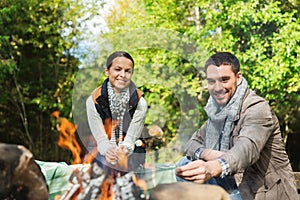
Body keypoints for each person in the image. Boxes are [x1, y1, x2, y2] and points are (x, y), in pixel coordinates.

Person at [175, 52, 298, 200]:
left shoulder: (257, 108)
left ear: (238, 78)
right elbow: (192, 143)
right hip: (235, 185)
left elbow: (247, 149)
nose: (218, 88)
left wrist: (216, 166)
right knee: (185, 165)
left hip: (262, 190)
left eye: (224, 80)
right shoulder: (218, 113)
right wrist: (208, 154)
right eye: (212, 81)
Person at [86, 51, 148, 174]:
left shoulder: (140, 103)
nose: (122, 75)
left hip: (130, 152)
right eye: (117, 69)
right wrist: (108, 150)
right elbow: (101, 139)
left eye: (127, 71)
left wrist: (124, 150)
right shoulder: (93, 101)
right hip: (101, 149)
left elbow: (131, 139)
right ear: (107, 71)